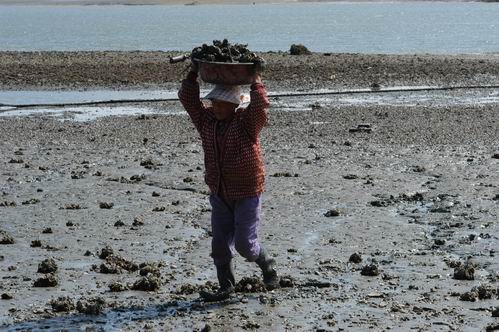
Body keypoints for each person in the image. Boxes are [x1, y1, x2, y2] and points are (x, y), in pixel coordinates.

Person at [178, 61, 279, 301]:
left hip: (247, 192)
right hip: (220, 192)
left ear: (234, 104)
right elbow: (188, 100)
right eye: (213, 101)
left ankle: (268, 265)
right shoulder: (207, 123)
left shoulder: (245, 124)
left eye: (221, 102)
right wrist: (193, 73)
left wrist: (256, 80)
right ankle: (226, 287)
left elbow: (261, 106)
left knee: (245, 245)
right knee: (220, 245)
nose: (215, 106)